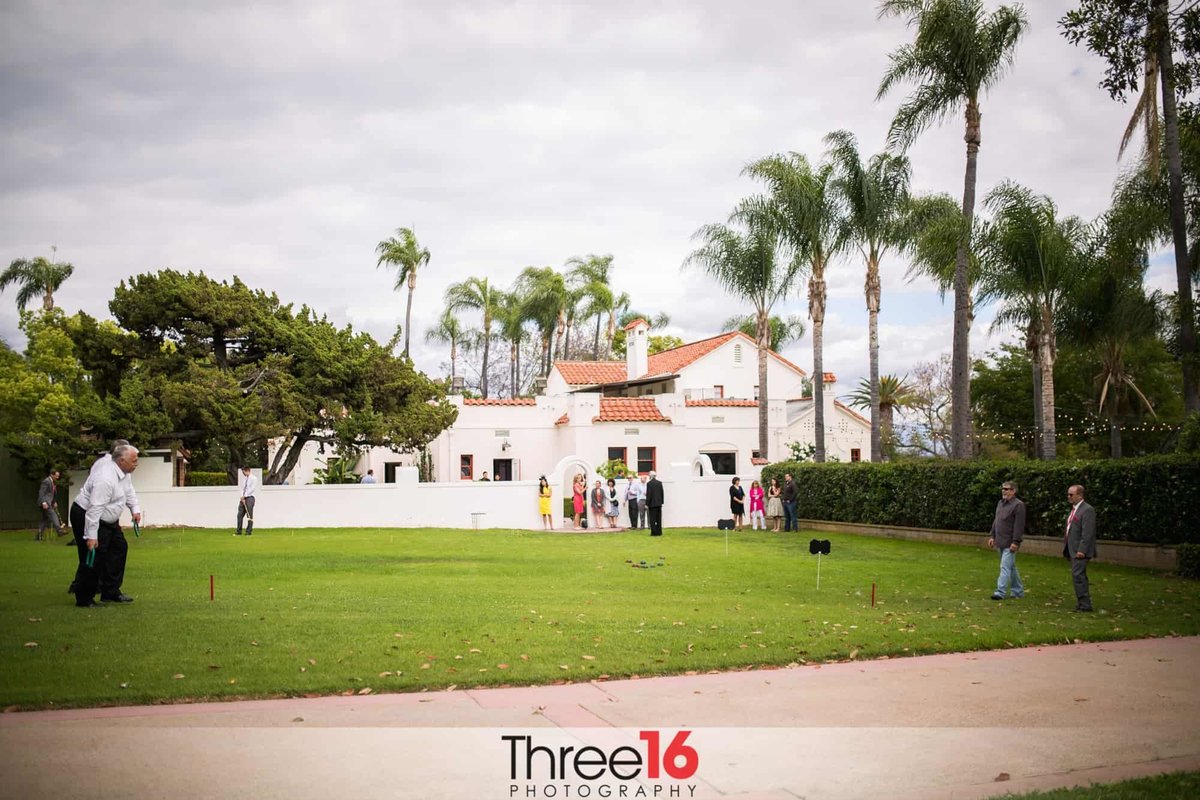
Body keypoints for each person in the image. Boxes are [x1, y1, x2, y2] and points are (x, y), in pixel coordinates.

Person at [73, 444, 141, 606]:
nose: (136, 464)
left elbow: (128, 490)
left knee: (119, 548)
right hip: (88, 515)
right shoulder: (105, 478)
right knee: (94, 555)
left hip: (108, 520)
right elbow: (94, 509)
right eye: (134, 461)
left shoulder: (124, 472)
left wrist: (135, 509)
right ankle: (84, 598)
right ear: (122, 460)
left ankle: (110, 592)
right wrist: (91, 536)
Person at [987, 481, 1026, 600]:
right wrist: (992, 535)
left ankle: (1000, 591)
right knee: (1011, 567)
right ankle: (1018, 591)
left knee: (1004, 566)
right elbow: (997, 520)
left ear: (1013, 491)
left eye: (1007, 489)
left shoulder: (1018, 505)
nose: (1004, 491)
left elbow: (1019, 525)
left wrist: (1015, 541)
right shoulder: (1000, 503)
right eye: (1003, 488)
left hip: (1010, 542)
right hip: (1000, 540)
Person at [1064, 484, 1097, 612]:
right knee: (1078, 575)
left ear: (1080, 495)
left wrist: (1082, 550)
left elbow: (1087, 533)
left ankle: (1085, 604)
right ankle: (1082, 602)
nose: (1069, 497)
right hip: (1073, 549)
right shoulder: (1075, 509)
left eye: (1071, 494)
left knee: (1078, 576)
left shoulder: (1087, 510)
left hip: (1080, 550)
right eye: (1068, 494)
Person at [37, 469, 63, 541]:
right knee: (53, 514)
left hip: (49, 503)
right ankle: (59, 530)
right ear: (52, 474)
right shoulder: (46, 481)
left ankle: (39, 535)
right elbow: (41, 492)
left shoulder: (52, 482)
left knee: (44, 519)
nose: (57, 477)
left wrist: (54, 501)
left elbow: (51, 494)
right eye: (56, 476)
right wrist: (43, 502)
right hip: (45, 503)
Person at [236, 466, 258, 536]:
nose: (243, 473)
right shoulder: (244, 479)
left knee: (249, 515)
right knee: (239, 515)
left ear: (247, 471)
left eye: (244, 472)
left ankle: (248, 532)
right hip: (243, 498)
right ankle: (239, 531)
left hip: (250, 498)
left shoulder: (254, 478)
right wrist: (242, 497)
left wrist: (245, 496)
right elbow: (242, 488)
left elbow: (252, 489)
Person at [645, 471, 664, 537]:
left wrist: (647, 504)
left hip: (652, 504)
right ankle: (659, 532)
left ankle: (654, 532)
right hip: (659, 503)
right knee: (659, 518)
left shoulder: (649, 484)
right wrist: (661, 502)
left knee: (652, 519)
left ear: (650, 476)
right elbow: (662, 493)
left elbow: (649, 494)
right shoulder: (659, 483)